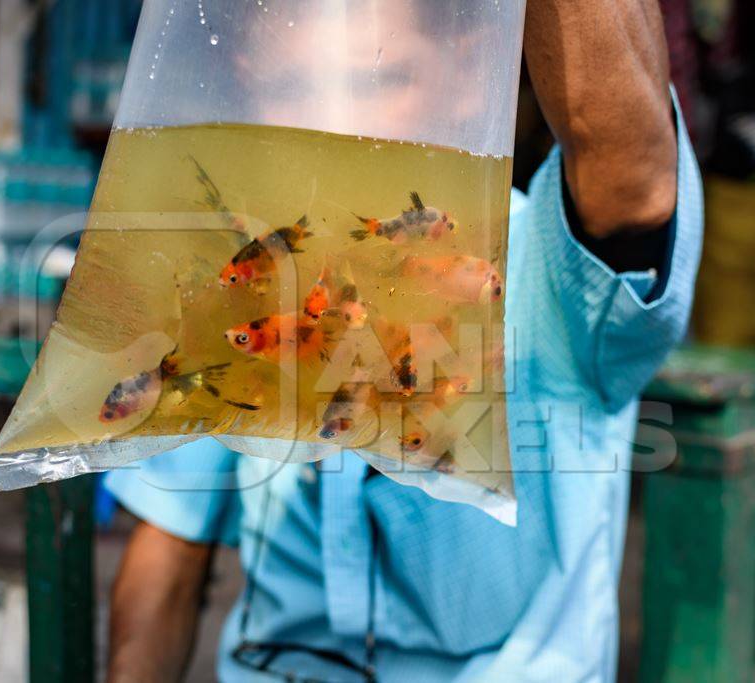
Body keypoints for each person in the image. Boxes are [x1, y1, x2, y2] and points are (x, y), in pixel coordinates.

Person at [105, 0, 702, 680]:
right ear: (249, 94)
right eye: (297, 88)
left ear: (471, 69)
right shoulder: (246, 276)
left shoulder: (540, 266)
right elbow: (170, 544)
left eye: (377, 83)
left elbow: (630, 174)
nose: (336, 126)